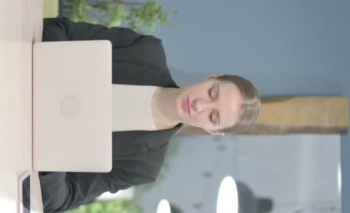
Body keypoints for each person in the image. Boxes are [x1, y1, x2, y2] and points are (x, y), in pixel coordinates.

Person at [24, 17, 261, 212]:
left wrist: (52, 151)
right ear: (211, 78)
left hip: (13, 152)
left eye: (213, 117)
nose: (200, 105)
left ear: (213, 131)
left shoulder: (143, 166)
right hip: (12, 72)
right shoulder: (145, 51)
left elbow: (59, 199)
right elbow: (60, 29)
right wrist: (49, 71)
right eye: (212, 93)